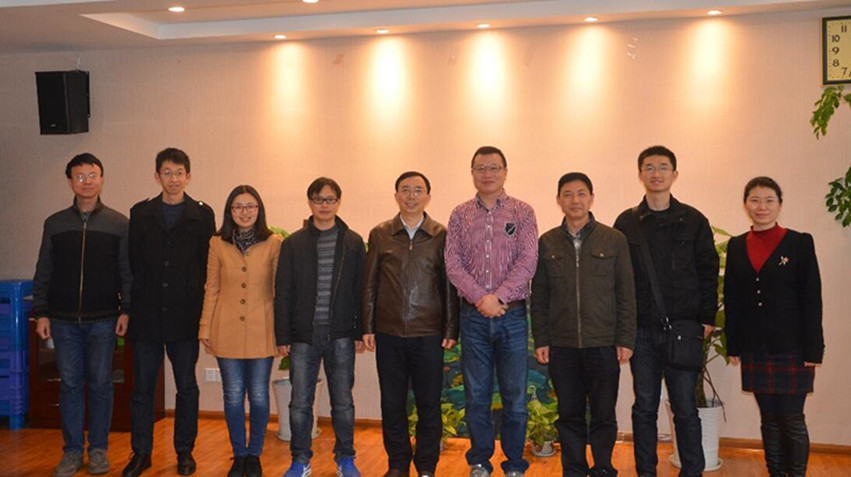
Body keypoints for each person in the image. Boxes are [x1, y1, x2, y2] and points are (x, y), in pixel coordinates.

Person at [613, 145, 719, 477]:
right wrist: (622, 327)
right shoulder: (626, 222)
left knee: (685, 407)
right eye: (649, 167)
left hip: (684, 329)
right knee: (644, 406)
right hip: (642, 331)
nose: (656, 173)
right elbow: (618, 278)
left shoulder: (694, 220)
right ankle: (646, 471)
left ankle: (692, 471)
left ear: (675, 174)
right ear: (640, 174)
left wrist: (707, 319)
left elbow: (708, 269)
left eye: (662, 167)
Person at [32, 153, 131, 477]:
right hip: (63, 321)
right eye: (80, 176)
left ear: (102, 179)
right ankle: (72, 451)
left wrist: (126, 310)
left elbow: (126, 272)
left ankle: (99, 449)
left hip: (104, 319)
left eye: (92, 175)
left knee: (101, 385)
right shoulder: (55, 223)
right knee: (71, 385)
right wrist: (41, 312)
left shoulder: (119, 224)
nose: (86, 181)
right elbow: (44, 270)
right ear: (70, 181)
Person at [531, 172, 636, 477]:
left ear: (591, 198)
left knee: (603, 414)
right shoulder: (547, 242)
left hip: (603, 343)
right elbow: (540, 296)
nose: (574, 200)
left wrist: (625, 338)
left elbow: (626, 292)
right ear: (558, 200)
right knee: (569, 415)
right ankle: (574, 470)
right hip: (562, 345)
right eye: (567, 194)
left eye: (581, 193)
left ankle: (603, 467)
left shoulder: (613, 239)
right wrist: (542, 339)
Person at [445, 146, 538, 477]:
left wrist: (497, 297)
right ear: (472, 173)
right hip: (473, 318)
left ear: (505, 172)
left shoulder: (522, 211)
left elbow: (528, 260)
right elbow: (453, 263)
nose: (488, 174)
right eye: (481, 168)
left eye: (494, 167)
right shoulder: (459, 214)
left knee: (515, 397)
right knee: (476, 396)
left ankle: (514, 464)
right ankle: (480, 462)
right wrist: (480, 298)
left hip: (512, 316)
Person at [124, 148, 216, 477]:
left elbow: (208, 266)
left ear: (188, 176)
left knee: (186, 386)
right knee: (142, 388)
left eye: (179, 172)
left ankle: (185, 451)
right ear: (157, 176)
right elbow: (132, 263)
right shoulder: (141, 213)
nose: (173, 179)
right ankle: (141, 452)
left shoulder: (202, 215)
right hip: (146, 315)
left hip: (184, 315)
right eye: (167, 172)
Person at [362, 171, 460, 477]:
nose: (411, 195)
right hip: (388, 333)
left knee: (429, 404)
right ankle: (398, 464)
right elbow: (369, 284)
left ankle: (427, 466)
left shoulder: (441, 235)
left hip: (428, 334)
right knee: (392, 404)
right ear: (396, 196)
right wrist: (367, 326)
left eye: (418, 190)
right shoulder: (380, 234)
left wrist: (450, 328)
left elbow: (449, 285)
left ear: (428, 197)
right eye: (405, 190)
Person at [724, 177, 823, 477]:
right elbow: (732, 297)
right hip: (754, 346)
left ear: (779, 204)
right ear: (746, 204)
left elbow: (811, 297)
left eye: (769, 200)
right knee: (768, 419)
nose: (762, 206)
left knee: (792, 419)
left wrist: (813, 348)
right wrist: (734, 344)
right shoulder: (737, 245)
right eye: (755, 200)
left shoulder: (799, 242)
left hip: (793, 346)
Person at [275, 177, 366, 477]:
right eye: (318, 199)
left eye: (330, 199)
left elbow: (361, 290)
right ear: (310, 202)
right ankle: (300, 460)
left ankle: (345, 459)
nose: (324, 205)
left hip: (341, 335)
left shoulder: (353, 242)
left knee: (343, 403)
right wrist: (282, 334)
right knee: (300, 403)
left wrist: (359, 331)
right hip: (303, 336)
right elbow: (283, 291)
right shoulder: (293, 244)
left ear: (338, 202)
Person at [198, 185, 284, 477]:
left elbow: (279, 290)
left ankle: (254, 454)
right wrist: (205, 326)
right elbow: (212, 288)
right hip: (226, 327)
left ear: (259, 210)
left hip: (263, 326)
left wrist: (282, 331)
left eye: (250, 206)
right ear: (229, 211)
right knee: (233, 394)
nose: (244, 212)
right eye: (238, 207)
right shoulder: (217, 243)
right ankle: (239, 454)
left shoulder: (273, 243)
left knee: (258, 395)